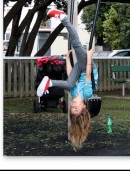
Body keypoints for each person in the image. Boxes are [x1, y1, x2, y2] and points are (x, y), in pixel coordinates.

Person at [37, 9, 98, 149]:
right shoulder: (87, 93)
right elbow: (88, 74)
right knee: (76, 44)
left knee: (69, 83)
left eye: (72, 108)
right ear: (83, 107)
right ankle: (63, 17)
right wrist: (89, 57)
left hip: (79, 69)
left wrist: (67, 60)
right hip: (88, 67)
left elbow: (71, 77)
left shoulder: (73, 93)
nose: (73, 105)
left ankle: (50, 82)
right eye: (76, 107)